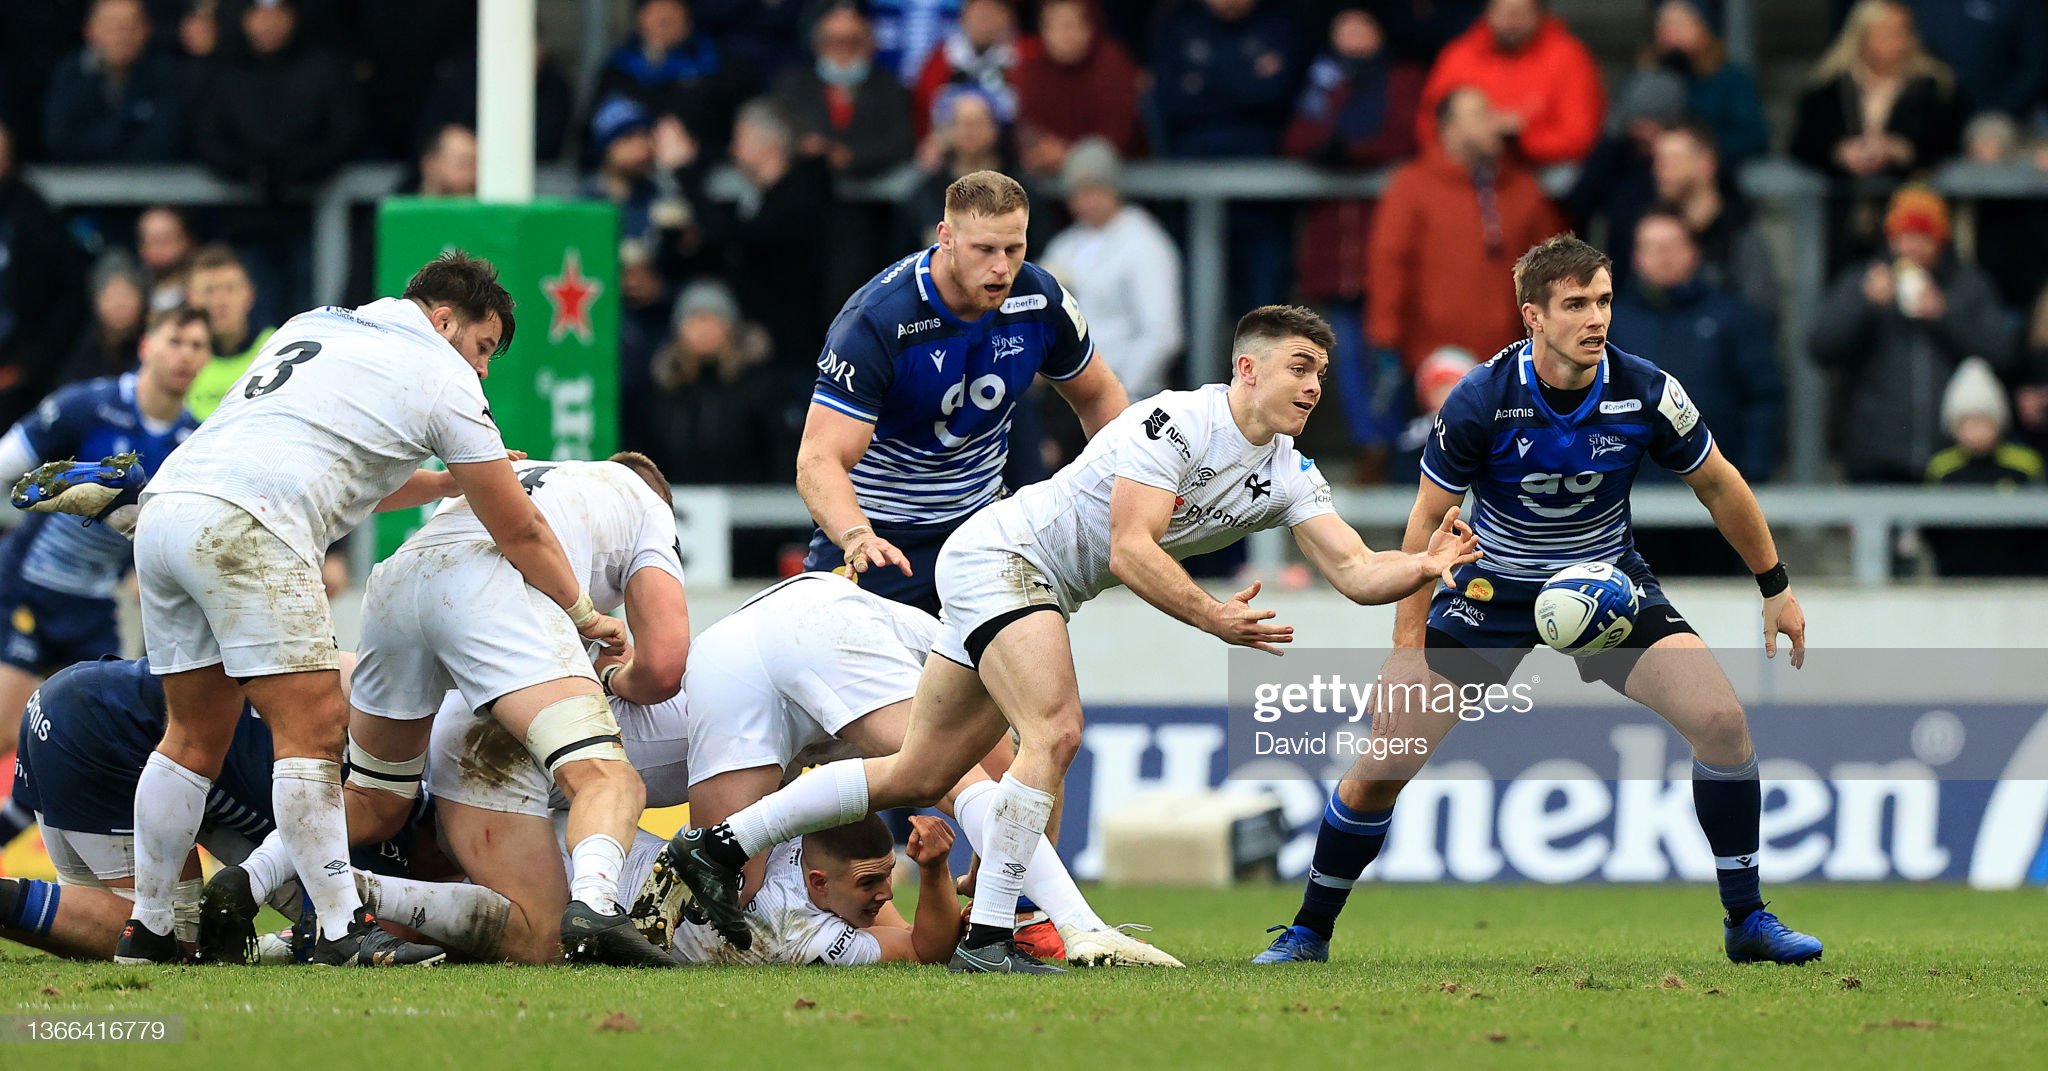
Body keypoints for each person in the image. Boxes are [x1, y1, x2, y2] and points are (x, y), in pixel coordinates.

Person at [669, 305, 1480, 972]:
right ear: (1247, 368)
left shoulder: (1291, 472)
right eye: (1300, 365)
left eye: (1321, 374)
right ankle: (992, 935)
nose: (1313, 385)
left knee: (919, 769)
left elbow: (1354, 568)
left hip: (1030, 580)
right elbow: (1132, 548)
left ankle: (721, 842)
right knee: (1054, 731)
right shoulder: (1175, 423)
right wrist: (1215, 616)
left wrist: (1422, 563)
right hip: (1003, 557)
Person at [1252, 235, 1822, 968]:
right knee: (1382, 761)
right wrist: (1405, 647)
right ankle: (1308, 930)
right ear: (1534, 316)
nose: (1597, 318)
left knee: (1721, 721)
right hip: (1492, 591)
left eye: (1605, 300)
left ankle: (1747, 919)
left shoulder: (1646, 388)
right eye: (1576, 304)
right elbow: (1426, 524)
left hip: (1608, 587)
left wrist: (1775, 586)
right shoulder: (1484, 397)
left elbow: (1719, 483)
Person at [111, 251, 627, 967]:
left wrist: (447, 480)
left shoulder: (317, 324)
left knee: (192, 738)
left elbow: (355, 479)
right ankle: (338, 926)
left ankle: (147, 928)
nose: (481, 370)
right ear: (445, 319)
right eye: (482, 347)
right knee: (317, 729)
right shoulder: (440, 374)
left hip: (168, 509)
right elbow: (521, 529)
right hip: (251, 520)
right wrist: (582, 610)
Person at [633, 570, 1178, 966]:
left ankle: (610, 902)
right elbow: (1015, 791)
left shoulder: (958, 636)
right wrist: (1005, 891)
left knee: (732, 883)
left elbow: (1019, 792)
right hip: (805, 631)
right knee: (944, 780)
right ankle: (1080, 927)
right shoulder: (975, 646)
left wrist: (992, 876)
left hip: (752, 637)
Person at [318, 454, 687, 967]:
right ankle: (596, 909)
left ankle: (259, 877)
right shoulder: (647, 504)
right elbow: (666, 666)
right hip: (494, 592)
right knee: (608, 780)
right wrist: (605, 663)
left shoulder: (536, 470)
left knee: (371, 800)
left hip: (400, 580)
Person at [798, 170, 1128, 616]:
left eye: (1014, 249)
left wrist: (1129, 486)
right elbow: (818, 459)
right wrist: (857, 535)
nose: (1002, 267)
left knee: (1014, 678)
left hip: (984, 532)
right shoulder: (876, 320)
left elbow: (1098, 397)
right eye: (985, 249)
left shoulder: (1039, 298)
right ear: (946, 238)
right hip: (882, 539)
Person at [3, 655, 461, 963]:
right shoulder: (375, 815)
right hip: (112, 728)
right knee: (162, 936)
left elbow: (272, 892)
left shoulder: (389, 766)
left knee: (96, 928)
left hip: (80, 698)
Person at [0, 307, 209, 852]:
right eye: (175, 339)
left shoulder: (193, 444)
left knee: (77, 738)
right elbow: (6, 465)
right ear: (147, 345)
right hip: (27, 588)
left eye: (197, 344)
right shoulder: (86, 406)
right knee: (7, 726)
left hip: (94, 606)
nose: (185, 353)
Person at [1810, 185, 2015, 483]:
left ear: (1941, 240)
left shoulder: (1968, 286)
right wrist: (1864, 304)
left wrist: (1945, 316)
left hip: (1952, 455)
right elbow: (1821, 347)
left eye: (1923, 237)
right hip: (1875, 454)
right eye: (1904, 236)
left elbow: (2003, 353)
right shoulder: (1865, 280)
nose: (1912, 247)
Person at [1368, 87, 1565, 377]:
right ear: (1449, 128)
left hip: (1513, 360)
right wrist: (1385, 336)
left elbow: (1553, 268)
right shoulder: (1411, 186)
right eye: (1480, 115)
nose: (1494, 122)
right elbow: (1389, 262)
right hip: (1433, 361)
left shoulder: (1523, 189)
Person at [1789, 0, 1962, 267]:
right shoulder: (1829, 89)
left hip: (1910, 226)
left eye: (1903, 31)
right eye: (1886, 32)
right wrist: (1839, 152)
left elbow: (1947, 138)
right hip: (1843, 224)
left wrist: (1900, 149)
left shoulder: (1932, 87)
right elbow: (1802, 143)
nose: (1899, 41)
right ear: (1862, 37)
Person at [1038, 139, 1183, 401]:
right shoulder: (1065, 245)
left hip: (1131, 394)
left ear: (1113, 188)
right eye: (1076, 192)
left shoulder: (1145, 243)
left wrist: (1118, 393)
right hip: (1067, 392)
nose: (1083, 201)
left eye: (1093, 189)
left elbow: (1162, 334)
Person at [1416, 0, 1604, 166]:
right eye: (1504, 10)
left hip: (1538, 166)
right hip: (1465, 162)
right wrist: (1466, 135)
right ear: (1487, 12)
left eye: (1522, 12)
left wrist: (1522, 136)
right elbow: (1428, 124)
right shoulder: (1458, 55)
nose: (1512, 21)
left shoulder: (1569, 57)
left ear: (1540, 14)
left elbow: (1580, 137)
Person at [1923, 357, 2047, 578]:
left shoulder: (2025, 463)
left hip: (2018, 575)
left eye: (1983, 422)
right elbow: (1931, 529)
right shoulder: (1942, 467)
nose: (1975, 431)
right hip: (1956, 575)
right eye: (1967, 423)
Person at [42, 0, 187, 164]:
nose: (121, 36)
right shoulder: (71, 73)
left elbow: (163, 143)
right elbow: (62, 142)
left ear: (147, 30)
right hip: (84, 183)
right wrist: (124, 131)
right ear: (90, 31)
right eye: (111, 27)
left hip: (152, 182)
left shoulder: (165, 73)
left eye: (130, 26)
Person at [179, 246, 276, 421]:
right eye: (209, 291)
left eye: (230, 289)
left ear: (249, 294)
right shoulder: (174, 354)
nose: (220, 301)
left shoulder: (276, 349)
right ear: (190, 298)